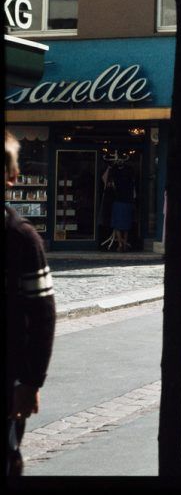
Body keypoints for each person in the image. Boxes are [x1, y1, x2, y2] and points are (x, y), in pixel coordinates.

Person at [5, 130, 56, 477]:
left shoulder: (20, 236)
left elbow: (42, 316)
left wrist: (31, 381)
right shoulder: (21, 235)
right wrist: (32, 382)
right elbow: (42, 315)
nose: (19, 176)